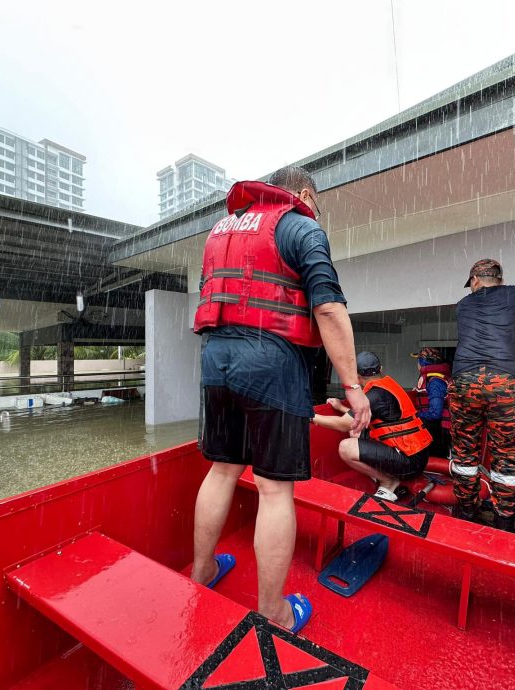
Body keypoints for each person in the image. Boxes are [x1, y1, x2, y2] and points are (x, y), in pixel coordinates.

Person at [190, 166, 370, 634]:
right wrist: (353, 387)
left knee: (222, 468)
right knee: (273, 490)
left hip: (216, 360)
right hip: (270, 360)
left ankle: (201, 571)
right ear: (305, 193)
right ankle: (273, 611)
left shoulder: (221, 230)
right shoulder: (300, 224)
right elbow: (328, 309)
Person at [449, 259, 515, 532]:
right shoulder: (514, 292)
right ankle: (505, 523)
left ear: (474, 280)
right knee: (506, 456)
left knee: (465, 453)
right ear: (499, 277)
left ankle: (465, 513)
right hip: (503, 382)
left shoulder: (463, 304)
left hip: (465, 381)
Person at [313, 351, 432, 501]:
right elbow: (365, 416)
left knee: (346, 447)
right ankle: (389, 475)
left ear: (357, 376)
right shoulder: (387, 386)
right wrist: (340, 407)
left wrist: (310, 416)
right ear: (380, 369)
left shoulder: (374, 395)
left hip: (409, 462)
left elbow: (342, 425)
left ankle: (388, 481)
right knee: (356, 432)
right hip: (417, 455)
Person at [410, 346, 452, 457]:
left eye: (418, 361)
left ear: (423, 362)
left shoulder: (435, 382)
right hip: (432, 428)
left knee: (434, 459)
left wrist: (415, 416)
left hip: (438, 431)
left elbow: (435, 413)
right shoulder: (431, 379)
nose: (417, 364)